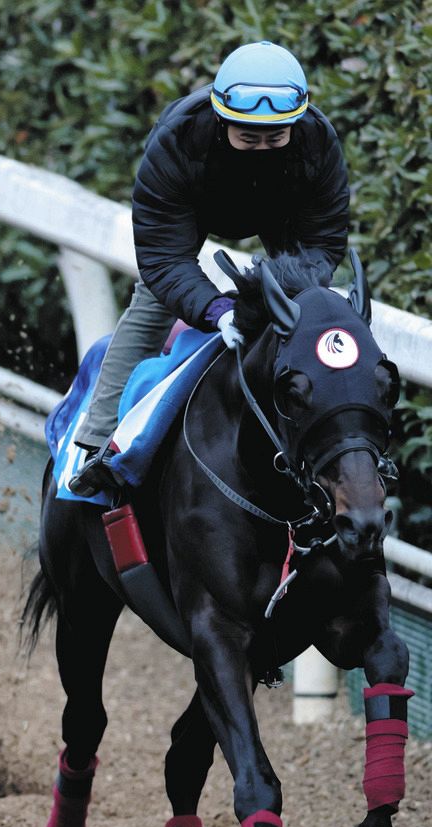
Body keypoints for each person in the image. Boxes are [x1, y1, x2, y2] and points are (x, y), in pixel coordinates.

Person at [69, 40, 349, 496]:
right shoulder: (177, 140)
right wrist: (217, 310)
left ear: (296, 124)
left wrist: (282, 294)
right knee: (152, 300)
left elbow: (322, 243)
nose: (262, 149)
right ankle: (99, 442)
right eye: (248, 137)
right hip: (199, 206)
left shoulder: (317, 140)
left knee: (305, 305)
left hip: (280, 210)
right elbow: (164, 257)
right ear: (221, 120)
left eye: (275, 137)